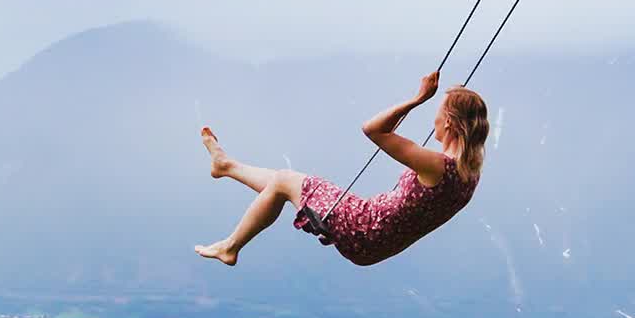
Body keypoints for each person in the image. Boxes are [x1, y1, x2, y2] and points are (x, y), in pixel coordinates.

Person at [194, 72, 488, 267]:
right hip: (377, 246)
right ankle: (226, 166)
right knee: (283, 185)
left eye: (437, 112)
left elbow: (373, 129)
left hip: (363, 226)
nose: (433, 119)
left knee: (285, 180)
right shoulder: (469, 176)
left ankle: (230, 246)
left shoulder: (438, 166)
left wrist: (417, 99)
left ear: (449, 122)